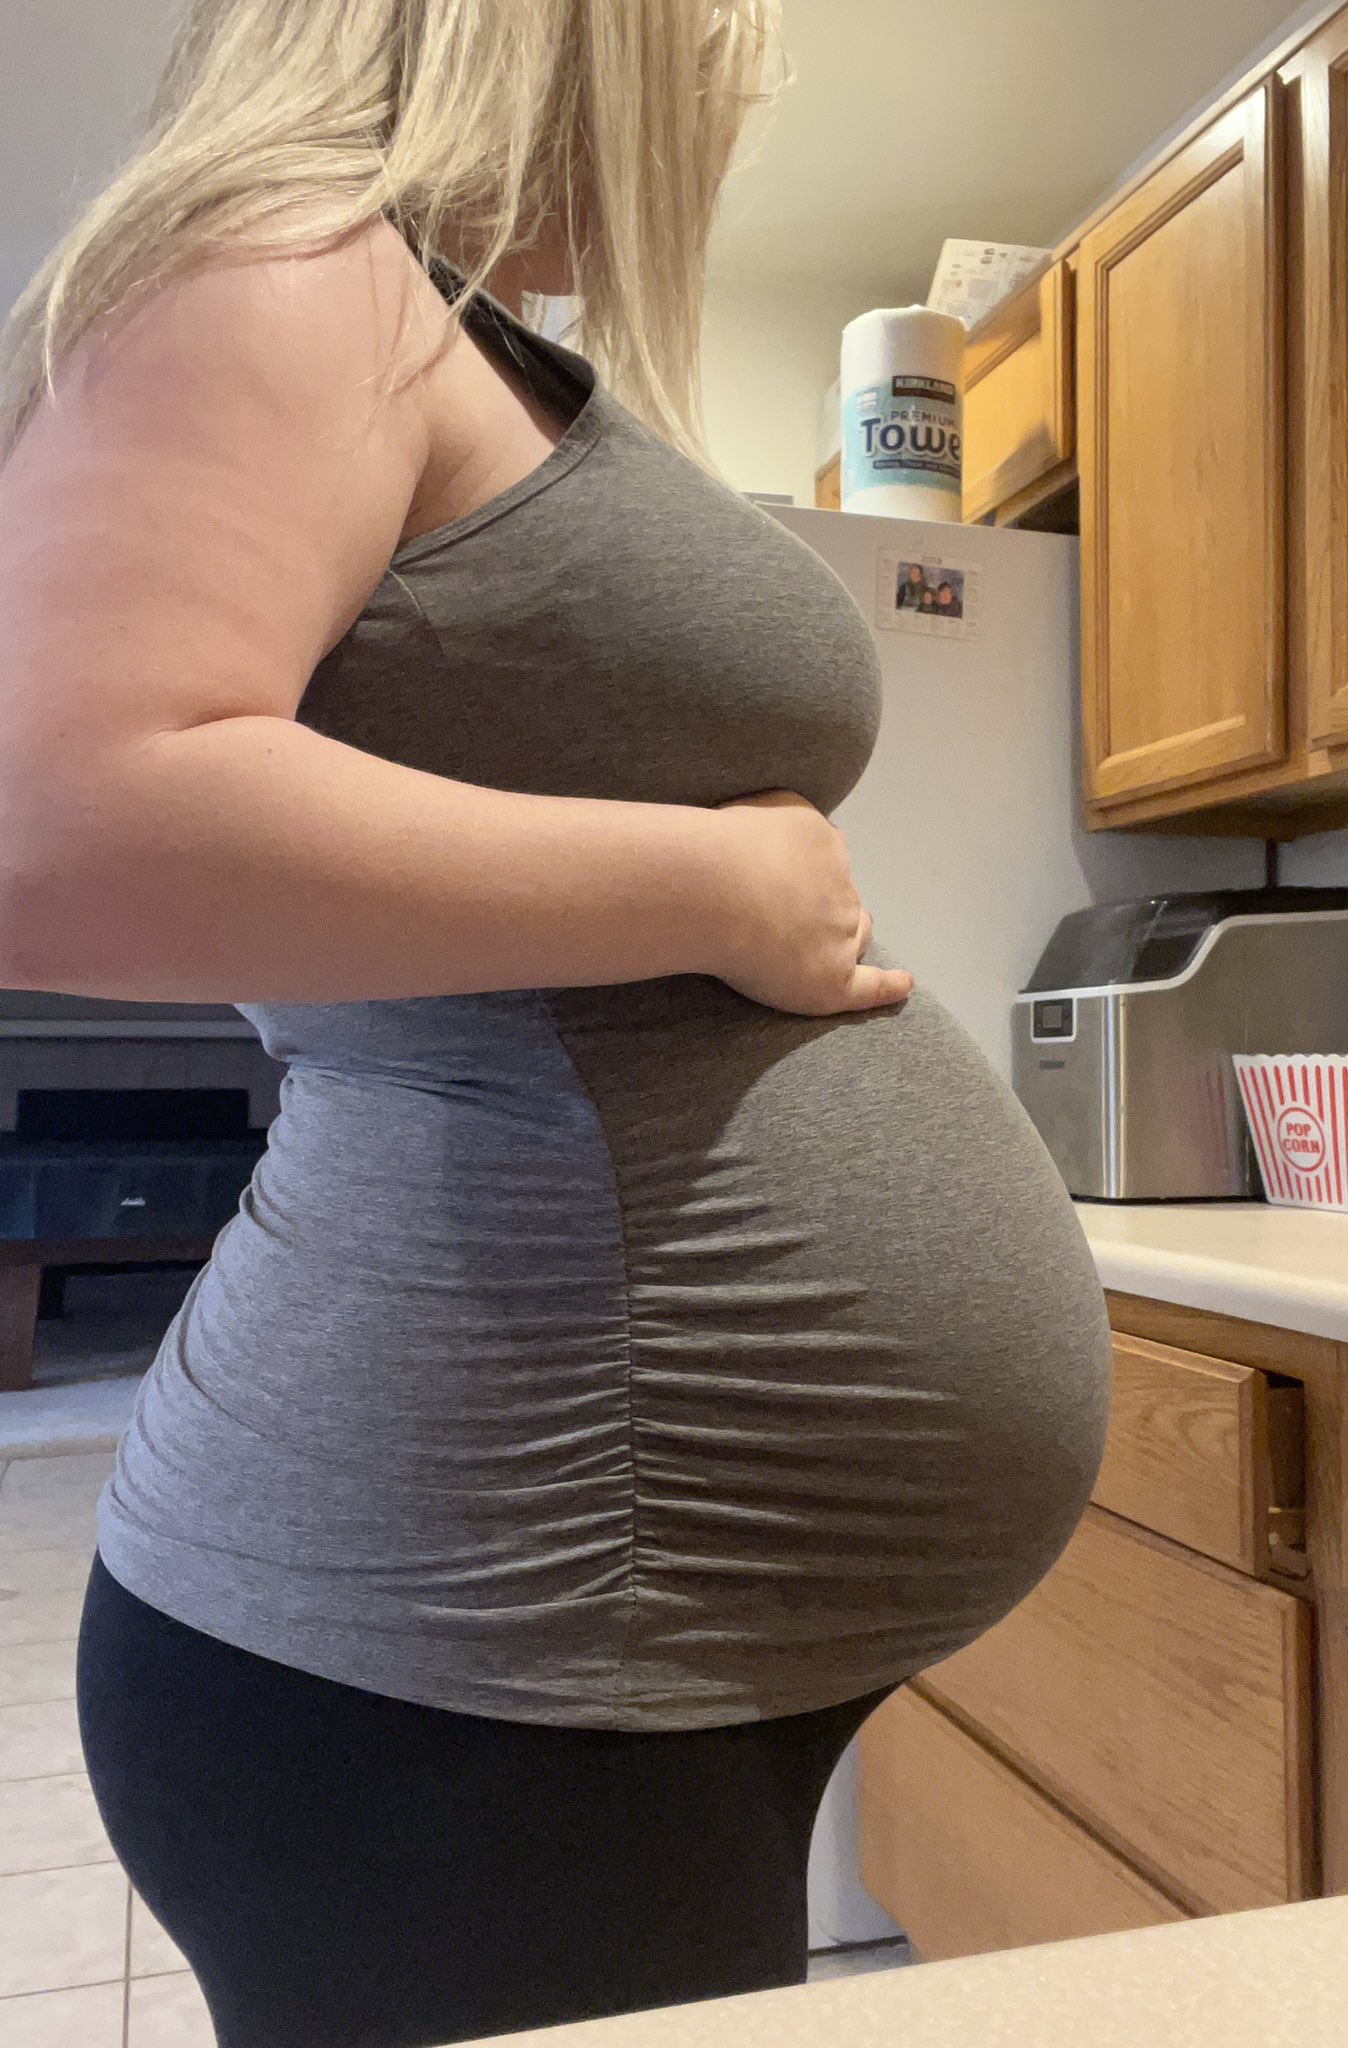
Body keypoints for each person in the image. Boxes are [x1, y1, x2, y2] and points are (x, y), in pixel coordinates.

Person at [0, 3, 1110, 2044]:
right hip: (468, 1646)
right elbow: (58, 826)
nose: (721, 128)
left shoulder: (429, 330)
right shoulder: (292, 260)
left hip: (575, 1644)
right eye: (712, 69)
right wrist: (712, 888)